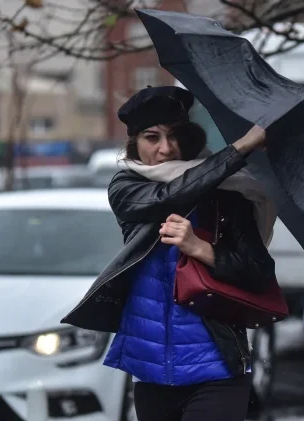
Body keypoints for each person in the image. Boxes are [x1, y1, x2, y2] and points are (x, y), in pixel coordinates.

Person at [61, 85, 276, 421]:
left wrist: (203, 250)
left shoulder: (229, 196)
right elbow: (169, 196)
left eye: (174, 136)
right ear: (134, 144)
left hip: (217, 369)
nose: (165, 149)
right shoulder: (127, 188)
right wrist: (240, 149)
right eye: (152, 137)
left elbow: (259, 273)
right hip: (152, 374)